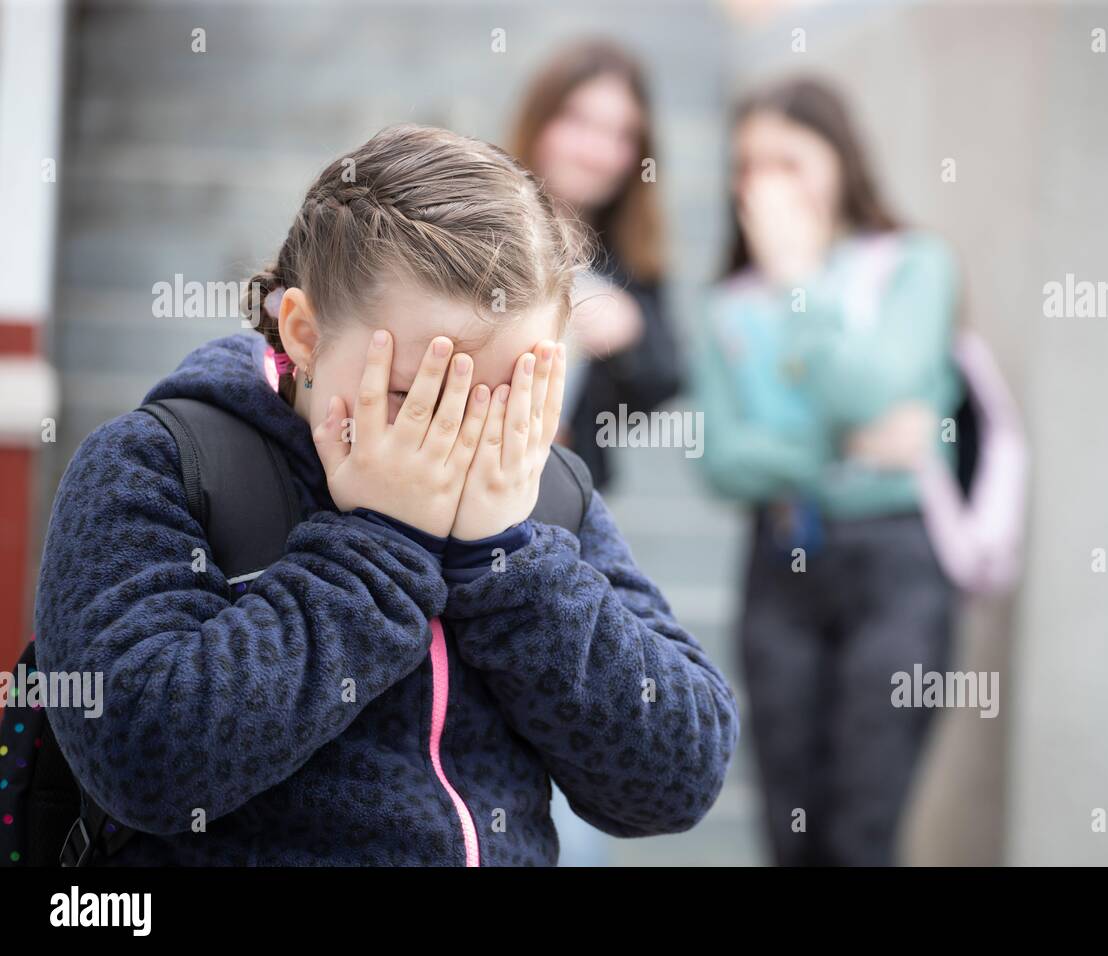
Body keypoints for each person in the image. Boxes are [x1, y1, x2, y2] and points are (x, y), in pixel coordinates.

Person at [34, 124, 738, 866]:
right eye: (417, 394)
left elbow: (677, 782)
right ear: (302, 333)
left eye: (505, 398)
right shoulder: (159, 467)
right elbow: (142, 762)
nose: (459, 435)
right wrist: (380, 549)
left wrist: (510, 565)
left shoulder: (542, 497)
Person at [694, 78, 964, 865]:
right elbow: (723, 461)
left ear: (840, 159)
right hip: (780, 564)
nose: (766, 185)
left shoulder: (912, 267)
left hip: (897, 562)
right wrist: (841, 446)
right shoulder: (726, 307)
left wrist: (799, 282)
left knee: (863, 826)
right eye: (750, 167)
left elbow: (872, 387)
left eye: (789, 161)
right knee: (792, 827)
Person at [510, 40, 680, 491]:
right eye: (579, 122)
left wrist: (631, 330)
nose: (597, 152)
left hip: (564, 491)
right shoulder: (480, 221)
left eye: (620, 135)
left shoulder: (627, 254)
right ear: (540, 120)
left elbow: (665, 378)